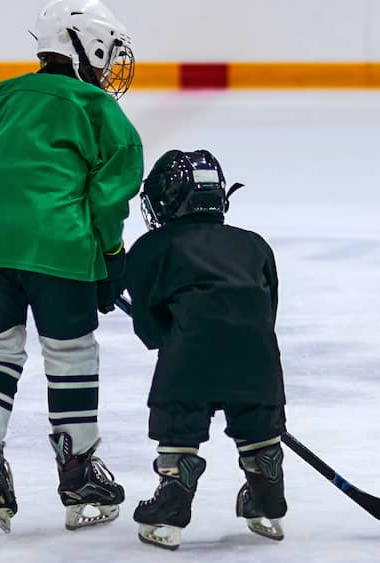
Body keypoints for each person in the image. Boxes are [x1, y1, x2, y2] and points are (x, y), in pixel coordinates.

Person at [0, 0, 143, 534]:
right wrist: (111, 258)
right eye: (107, 56)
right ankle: (78, 473)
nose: (109, 69)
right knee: (71, 351)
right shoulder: (101, 111)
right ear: (89, 46)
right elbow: (109, 198)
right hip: (58, 247)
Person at [124, 150, 288, 550]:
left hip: (189, 356)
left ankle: (173, 501)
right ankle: (266, 492)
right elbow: (266, 312)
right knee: (259, 424)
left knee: (179, 414)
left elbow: (149, 325)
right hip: (259, 361)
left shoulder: (150, 247)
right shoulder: (255, 244)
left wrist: (178, 343)